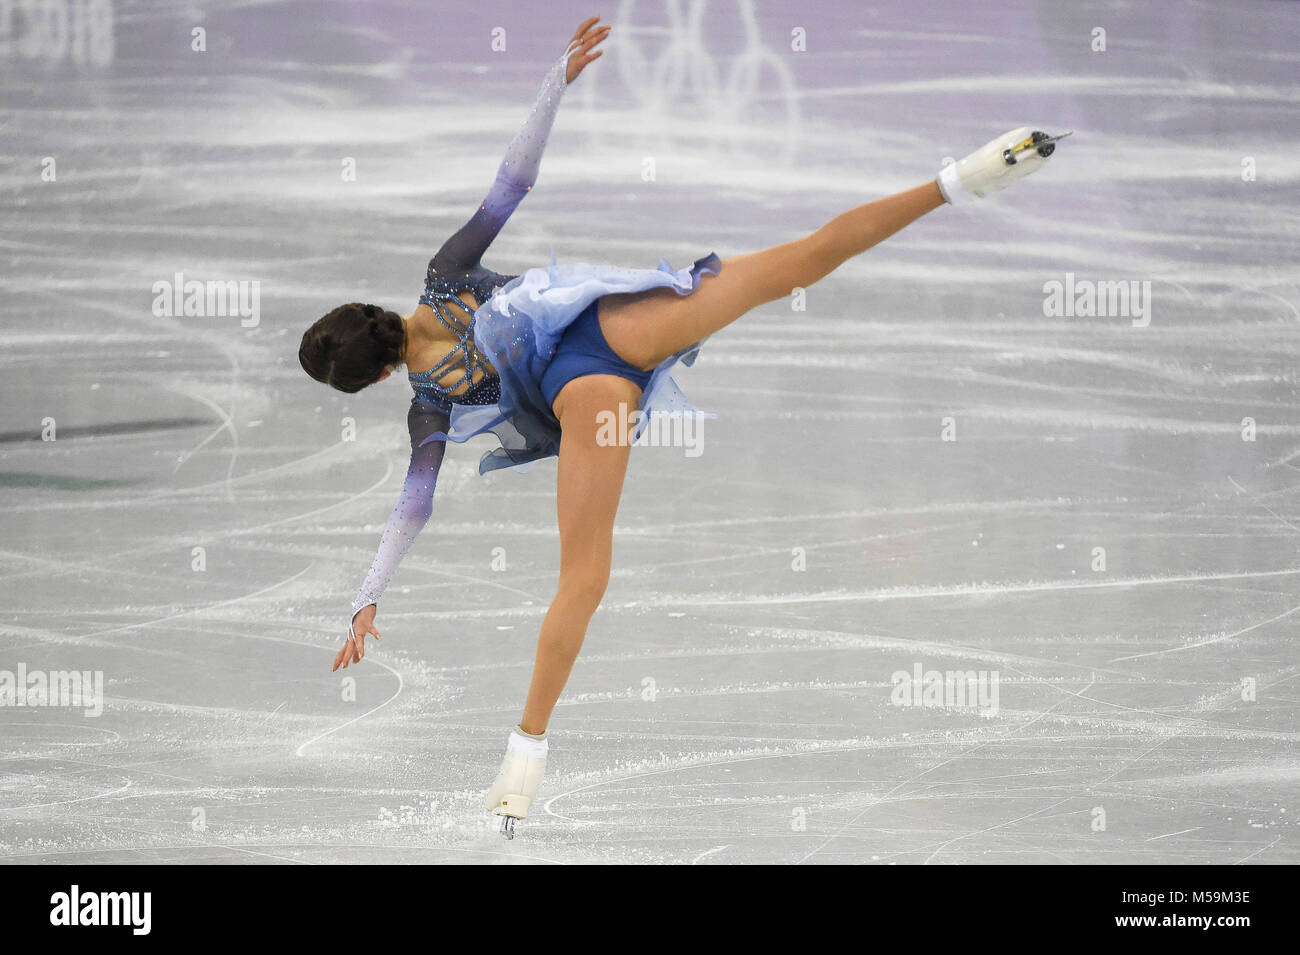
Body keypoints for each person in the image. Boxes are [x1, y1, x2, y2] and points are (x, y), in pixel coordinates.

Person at [298, 15, 1066, 837]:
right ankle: (959, 181)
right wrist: (553, 83)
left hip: (587, 391)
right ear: (370, 312)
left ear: (375, 376)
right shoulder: (444, 275)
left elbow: (414, 505)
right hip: (621, 323)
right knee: (801, 259)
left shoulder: (428, 406)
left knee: (583, 579)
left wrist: (368, 597)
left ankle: (523, 761)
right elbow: (512, 182)